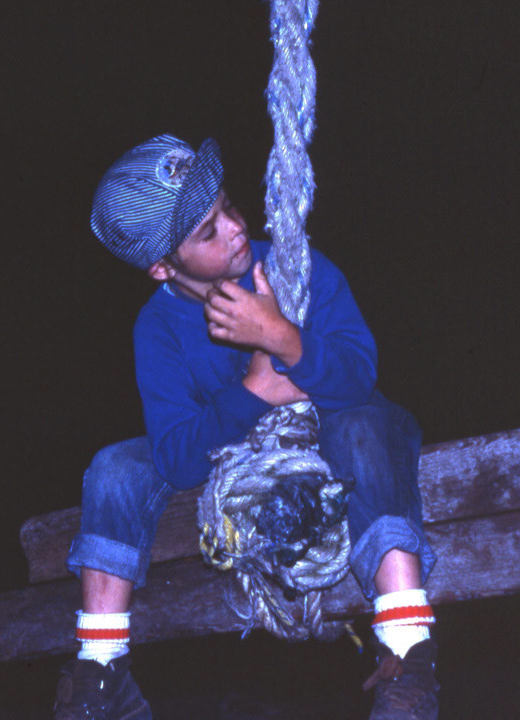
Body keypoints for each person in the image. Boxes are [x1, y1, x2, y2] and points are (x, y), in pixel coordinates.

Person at [52, 134, 439, 720]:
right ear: (163, 267)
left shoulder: (295, 267)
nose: (235, 227)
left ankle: (409, 656)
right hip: (237, 466)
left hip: (349, 444)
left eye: (228, 207)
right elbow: (179, 458)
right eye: (207, 231)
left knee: (361, 428)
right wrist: (255, 390)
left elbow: (358, 378)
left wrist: (283, 338)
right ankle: (101, 672)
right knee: (115, 467)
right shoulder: (157, 329)